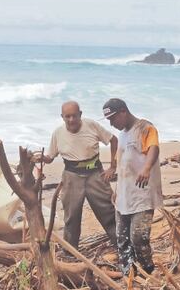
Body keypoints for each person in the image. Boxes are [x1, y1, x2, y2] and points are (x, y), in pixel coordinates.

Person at [34, 101, 119, 249]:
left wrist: (113, 166)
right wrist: (40, 158)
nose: (71, 120)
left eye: (74, 116)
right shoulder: (58, 133)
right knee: (71, 217)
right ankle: (70, 253)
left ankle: (121, 245)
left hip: (95, 174)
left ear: (80, 114)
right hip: (71, 176)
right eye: (67, 116)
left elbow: (114, 140)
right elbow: (50, 157)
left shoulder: (91, 125)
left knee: (108, 212)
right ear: (62, 117)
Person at [102, 98, 162, 275]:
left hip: (142, 195)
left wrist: (146, 168)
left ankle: (147, 269)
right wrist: (116, 190)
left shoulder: (145, 128)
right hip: (124, 194)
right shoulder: (122, 134)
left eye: (113, 119)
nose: (112, 124)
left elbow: (153, 148)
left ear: (123, 112)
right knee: (122, 238)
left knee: (138, 237)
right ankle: (128, 272)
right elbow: (122, 165)